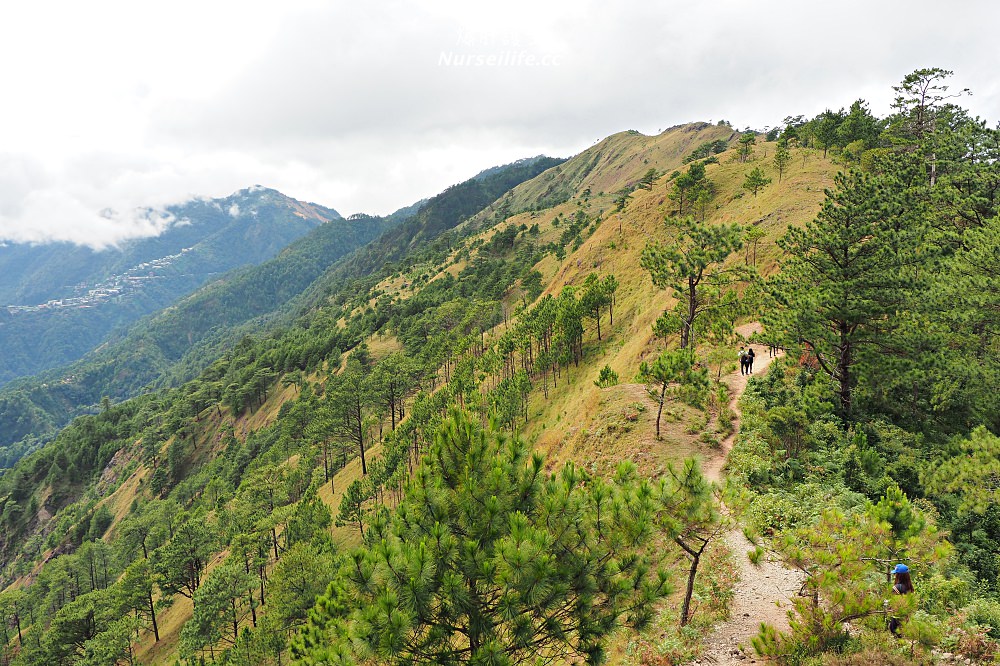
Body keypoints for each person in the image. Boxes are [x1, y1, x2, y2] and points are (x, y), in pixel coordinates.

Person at [888, 563, 913, 636]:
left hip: (896, 616)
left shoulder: (896, 588)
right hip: (906, 616)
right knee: (902, 634)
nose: (894, 576)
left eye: (895, 574)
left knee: (895, 632)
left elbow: (892, 603)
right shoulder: (909, 587)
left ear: (899, 576)